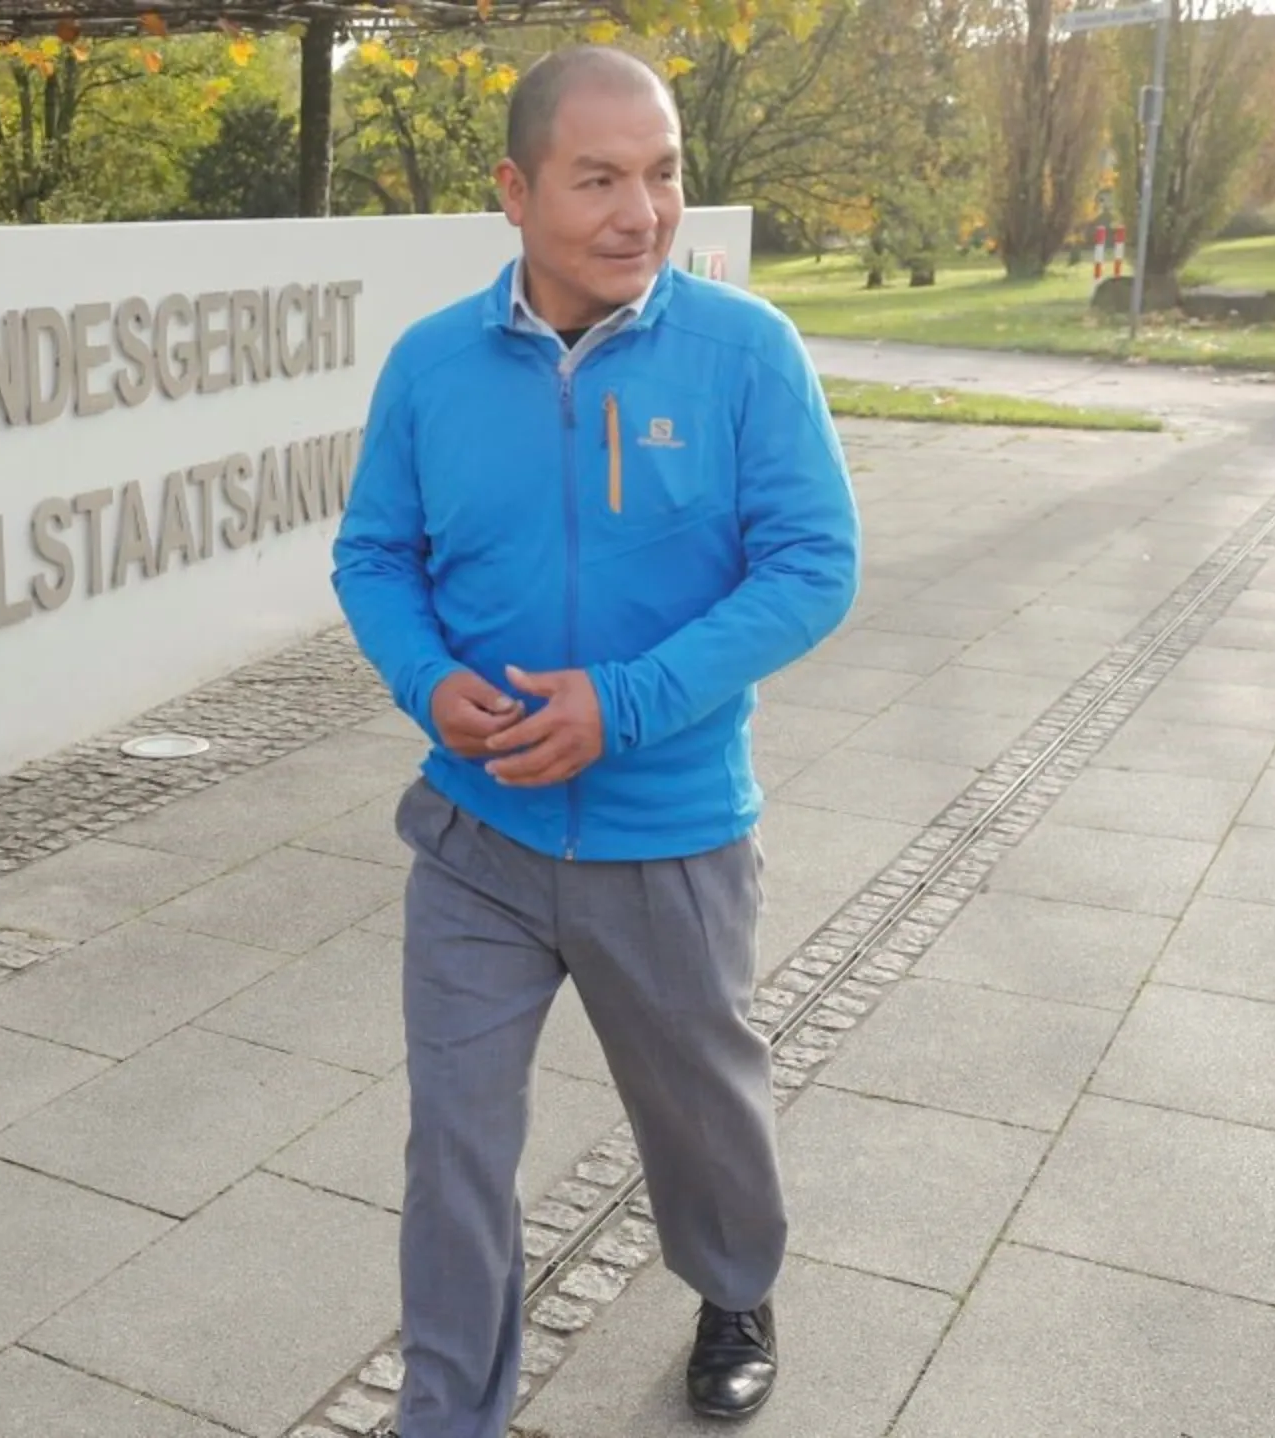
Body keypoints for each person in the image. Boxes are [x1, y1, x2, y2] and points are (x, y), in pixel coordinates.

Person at [330, 43, 861, 1437]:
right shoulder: (434, 364)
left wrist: (619, 704)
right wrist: (425, 679)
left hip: (672, 836)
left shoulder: (747, 354)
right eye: (601, 178)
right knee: (456, 1144)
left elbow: (815, 565)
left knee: (704, 1116)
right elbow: (376, 556)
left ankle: (735, 1284)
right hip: (477, 834)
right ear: (514, 190)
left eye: (665, 172)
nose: (644, 211)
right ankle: (449, 1412)